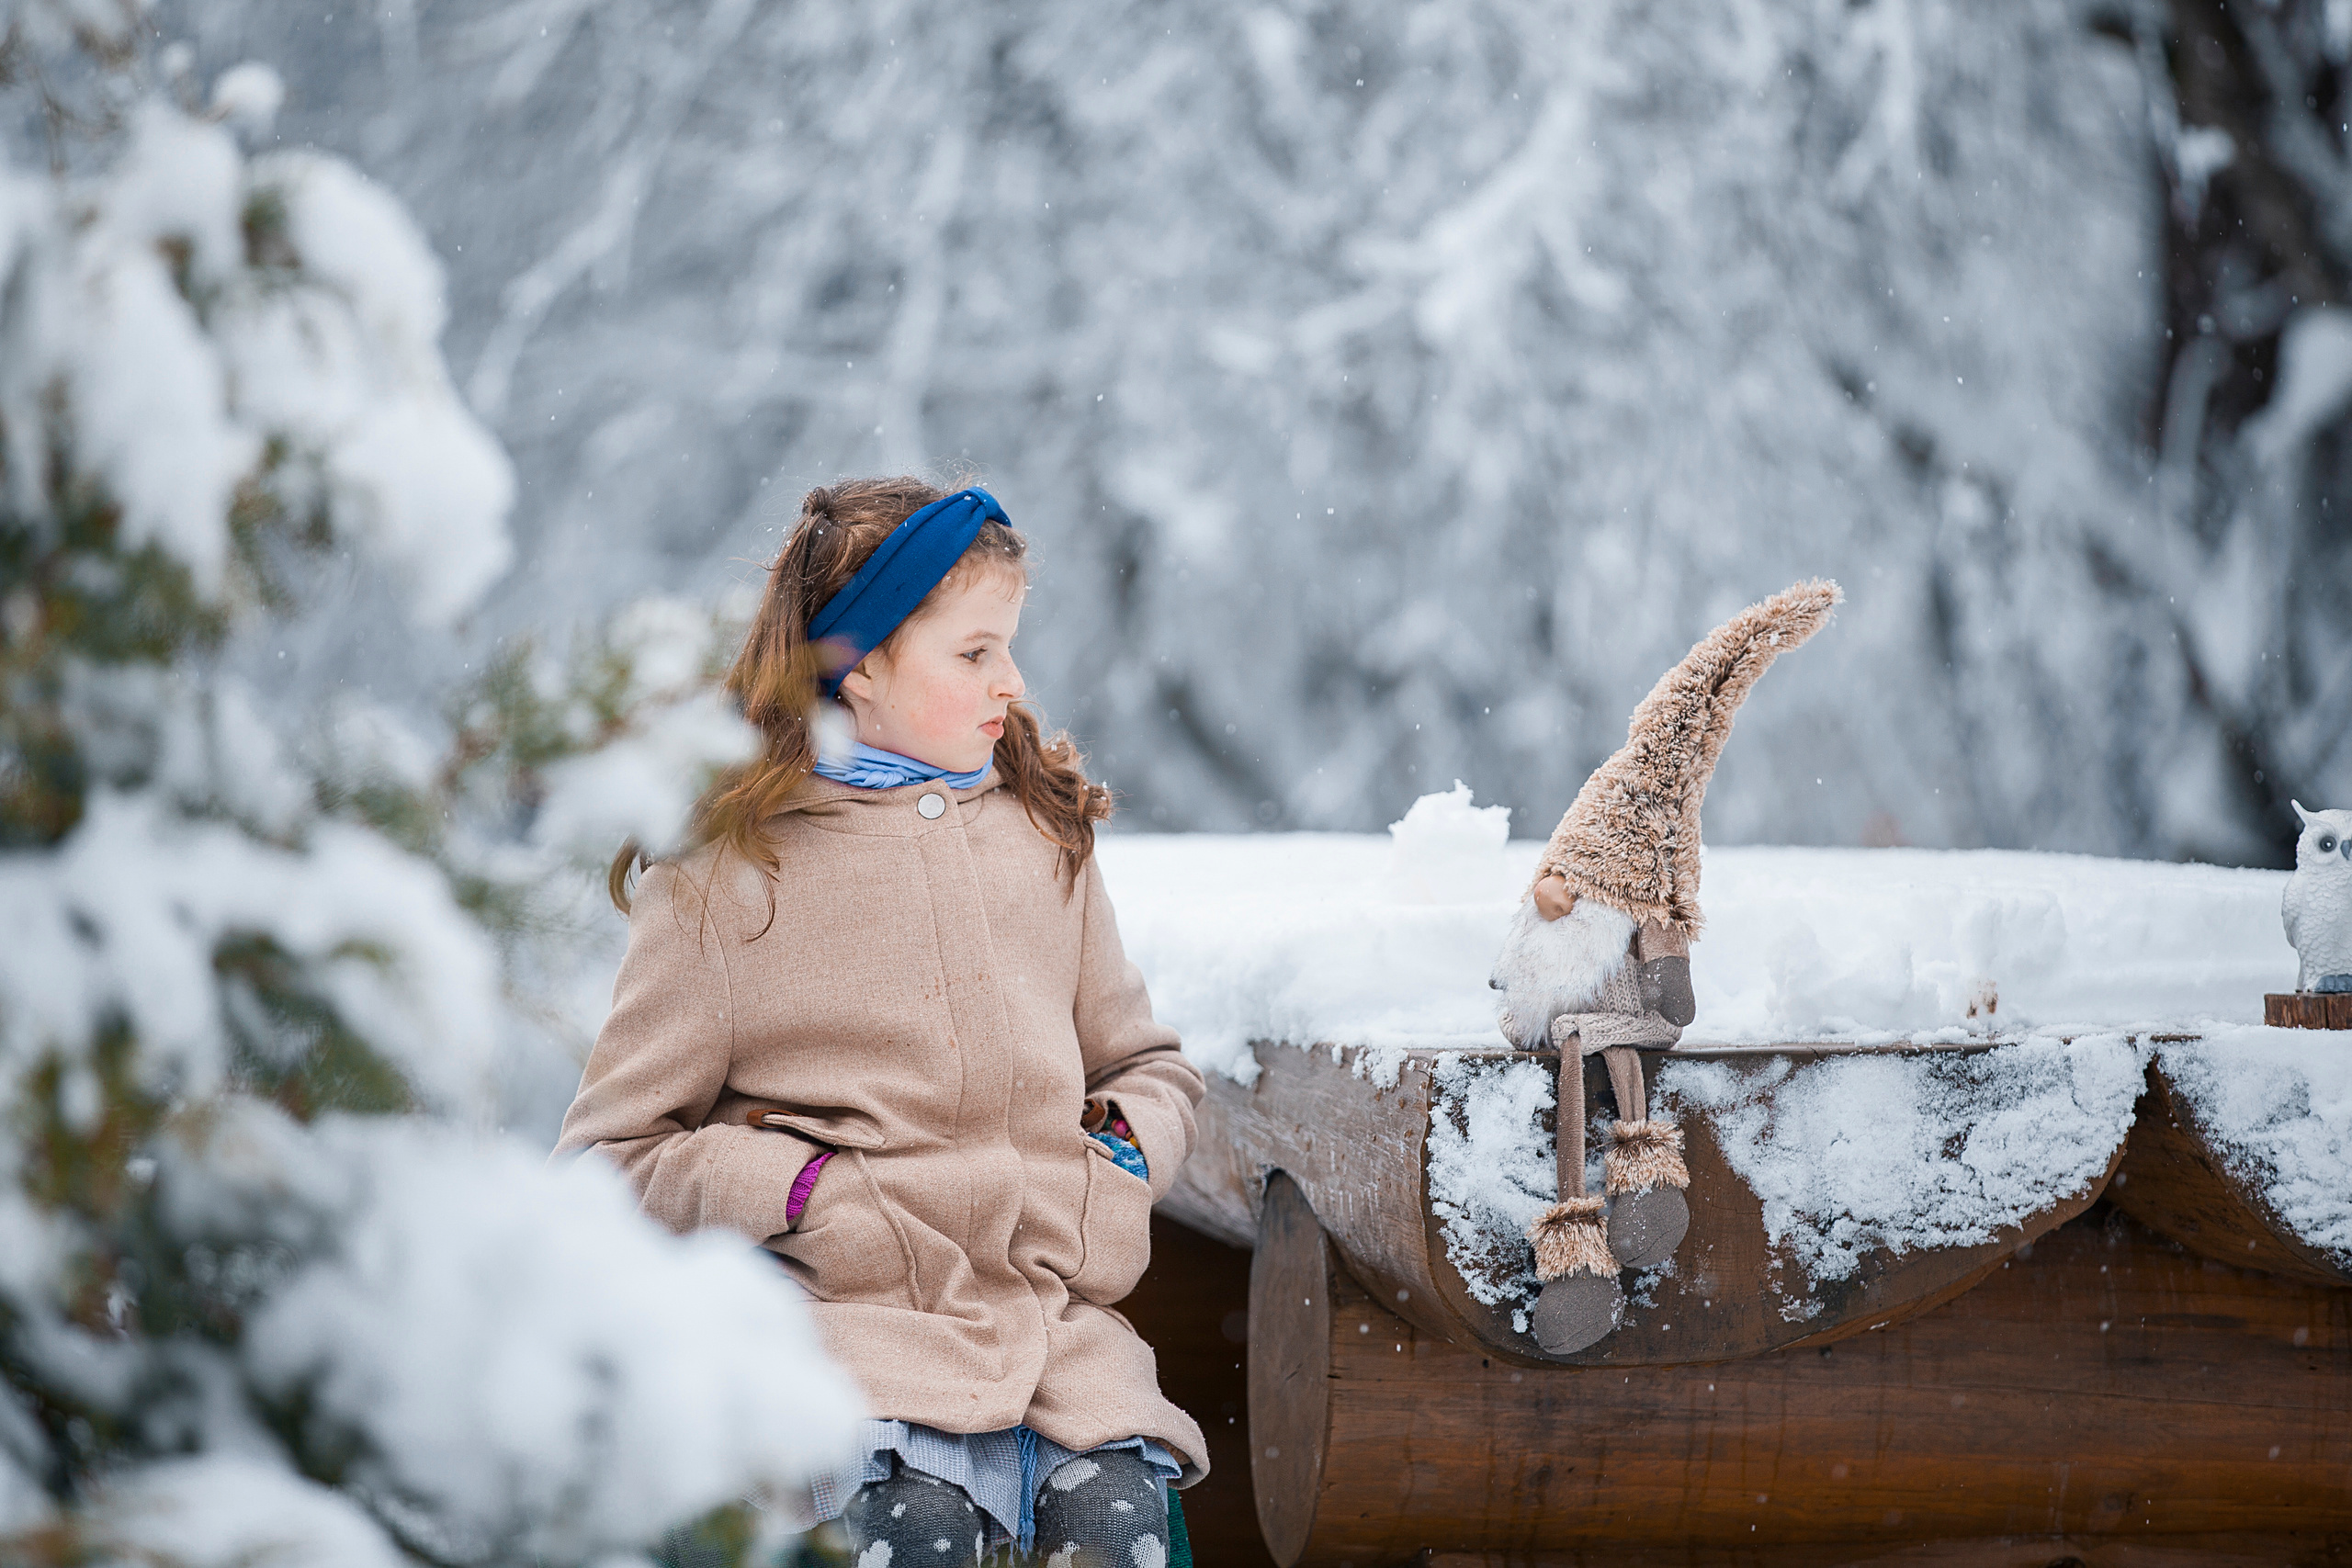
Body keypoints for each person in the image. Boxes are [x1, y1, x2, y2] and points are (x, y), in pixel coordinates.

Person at [554, 478, 1205, 1567]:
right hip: (841, 1352)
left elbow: (1149, 1065)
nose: (1014, 681)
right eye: (974, 653)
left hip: (1055, 1345)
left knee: (1118, 1531)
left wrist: (1116, 1160)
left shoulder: (1040, 838)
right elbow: (607, 1163)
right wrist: (796, 1192)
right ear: (860, 668)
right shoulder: (727, 878)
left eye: (1008, 647)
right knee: (918, 1537)